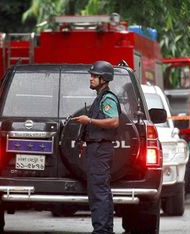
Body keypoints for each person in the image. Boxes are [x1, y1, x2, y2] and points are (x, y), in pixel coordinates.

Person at [72, 61, 120, 234]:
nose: (91, 78)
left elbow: (114, 121)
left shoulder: (107, 98)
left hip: (100, 151)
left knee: (98, 192)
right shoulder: (100, 97)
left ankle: (101, 230)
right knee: (101, 191)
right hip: (97, 151)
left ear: (104, 78)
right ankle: (105, 230)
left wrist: (89, 120)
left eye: (94, 76)